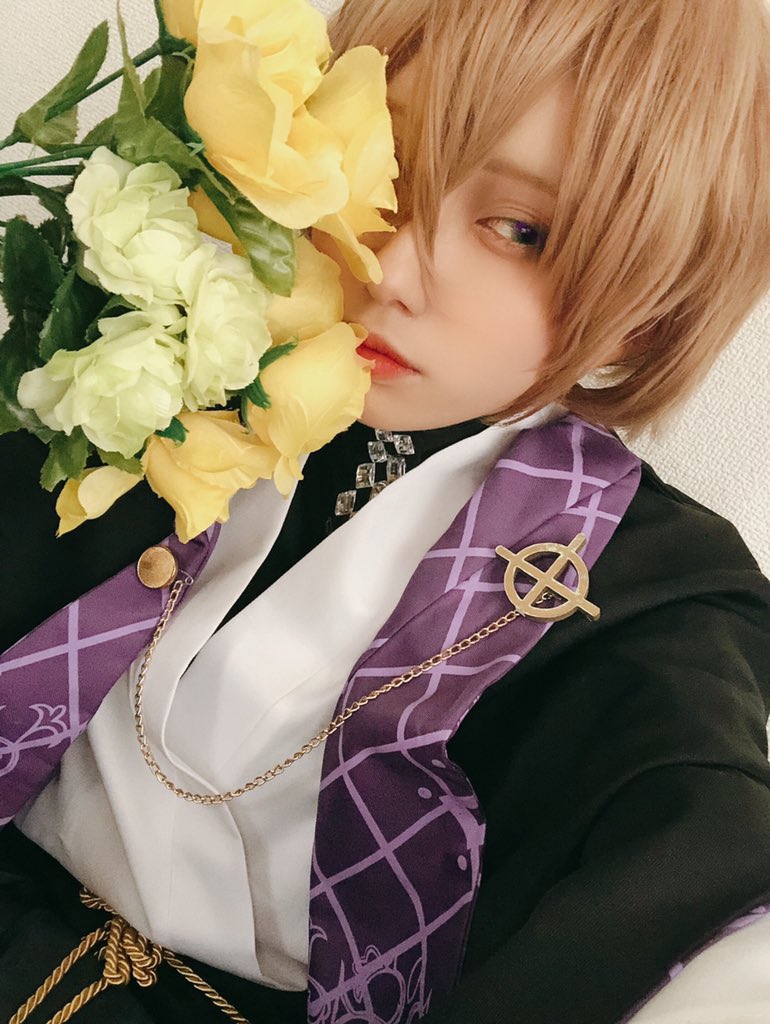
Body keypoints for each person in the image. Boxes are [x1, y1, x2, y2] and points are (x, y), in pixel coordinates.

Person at [1, 1, 770, 1023]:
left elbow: (690, 849)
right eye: (388, 171)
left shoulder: (652, 591)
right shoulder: (159, 345)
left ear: (645, 305)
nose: (389, 269)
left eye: (520, 231)